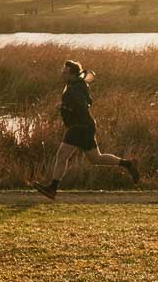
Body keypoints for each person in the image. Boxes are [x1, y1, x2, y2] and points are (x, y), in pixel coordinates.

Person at [31, 59, 139, 199]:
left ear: (73, 74)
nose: (63, 74)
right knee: (96, 158)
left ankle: (53, 188)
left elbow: (82, 107)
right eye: (63, 71)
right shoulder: (76, 84)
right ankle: (128, 164)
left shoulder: (75, 88)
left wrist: (63, 106)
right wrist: (66, 105)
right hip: (85, 126)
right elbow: (89, 102)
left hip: (79, 127)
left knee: (62, 155)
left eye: (66, 72)